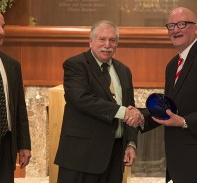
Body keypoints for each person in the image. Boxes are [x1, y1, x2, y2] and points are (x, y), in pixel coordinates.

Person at [140, 7, 197, 183]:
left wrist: (185, 122)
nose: (175, 30)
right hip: (180, 163)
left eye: (182, 24)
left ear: (196, 28)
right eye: (171, 25)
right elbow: (171, 109)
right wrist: (140, 116)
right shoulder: (172, 65)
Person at [54, 20, 143, 183]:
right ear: (91, 41)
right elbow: (82, 99)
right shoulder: (76, 65)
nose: (107, 45)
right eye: (102, 39)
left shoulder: (124, 70)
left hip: (115, 156)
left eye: (112, 40)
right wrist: (124, 112)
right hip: (81, 157)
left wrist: (130, 143)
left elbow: (131, 106)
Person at [0, 6, 31, 183]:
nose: (1, 31)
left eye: (3, 26)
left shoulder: (12, 65)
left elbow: (19, 109)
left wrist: (24, 144)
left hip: (5, 150)